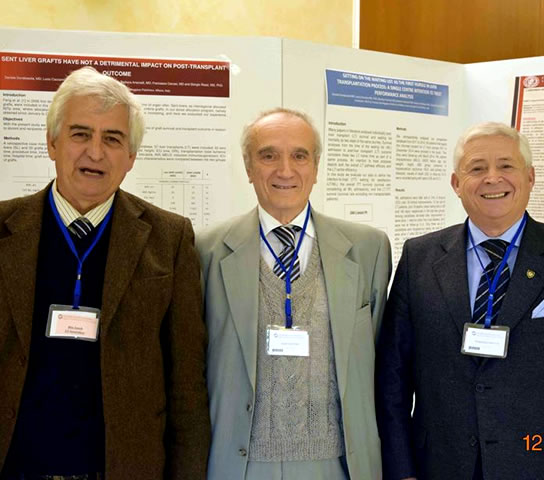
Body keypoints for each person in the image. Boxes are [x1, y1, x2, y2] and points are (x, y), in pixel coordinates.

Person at [376, 122, 544, 480]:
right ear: (456, 183)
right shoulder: (419, 257)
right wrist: (401, 471)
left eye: (506, 165)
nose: (492, 178)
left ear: (530, 177)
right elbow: (392, 379)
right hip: (439, 466)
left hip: (543, 469)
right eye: (477, 168)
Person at [0, 67, 210, 479]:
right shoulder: (4, 228)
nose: (95, 152)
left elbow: (187, 387)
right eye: (80, 134)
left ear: (131, 157)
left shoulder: (168, 239)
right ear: (52, 143)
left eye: (113, 139)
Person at [197, 108, 391, 479]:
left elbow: (381, 364)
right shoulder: (206, 250)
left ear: (316, 167)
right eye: (268, 155)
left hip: (338, 464)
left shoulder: (368, 249)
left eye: (300, 156)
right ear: (248, 167)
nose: (285, 170)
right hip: (238, 464)